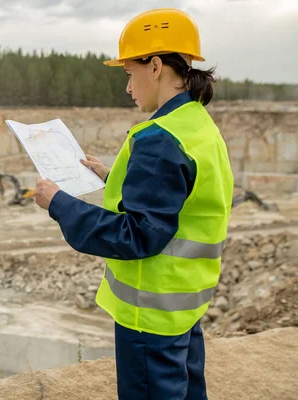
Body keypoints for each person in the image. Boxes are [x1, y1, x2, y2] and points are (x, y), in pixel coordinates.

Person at [34, 8, 234, 400]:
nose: (128, 88)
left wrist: (58, 203)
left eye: (129, 74)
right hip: (182, 305)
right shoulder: (196, 125)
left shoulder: (160, 138)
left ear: (156, 66)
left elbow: (137, 235)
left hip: (150, 314)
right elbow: (180, 199)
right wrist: (113, 176)